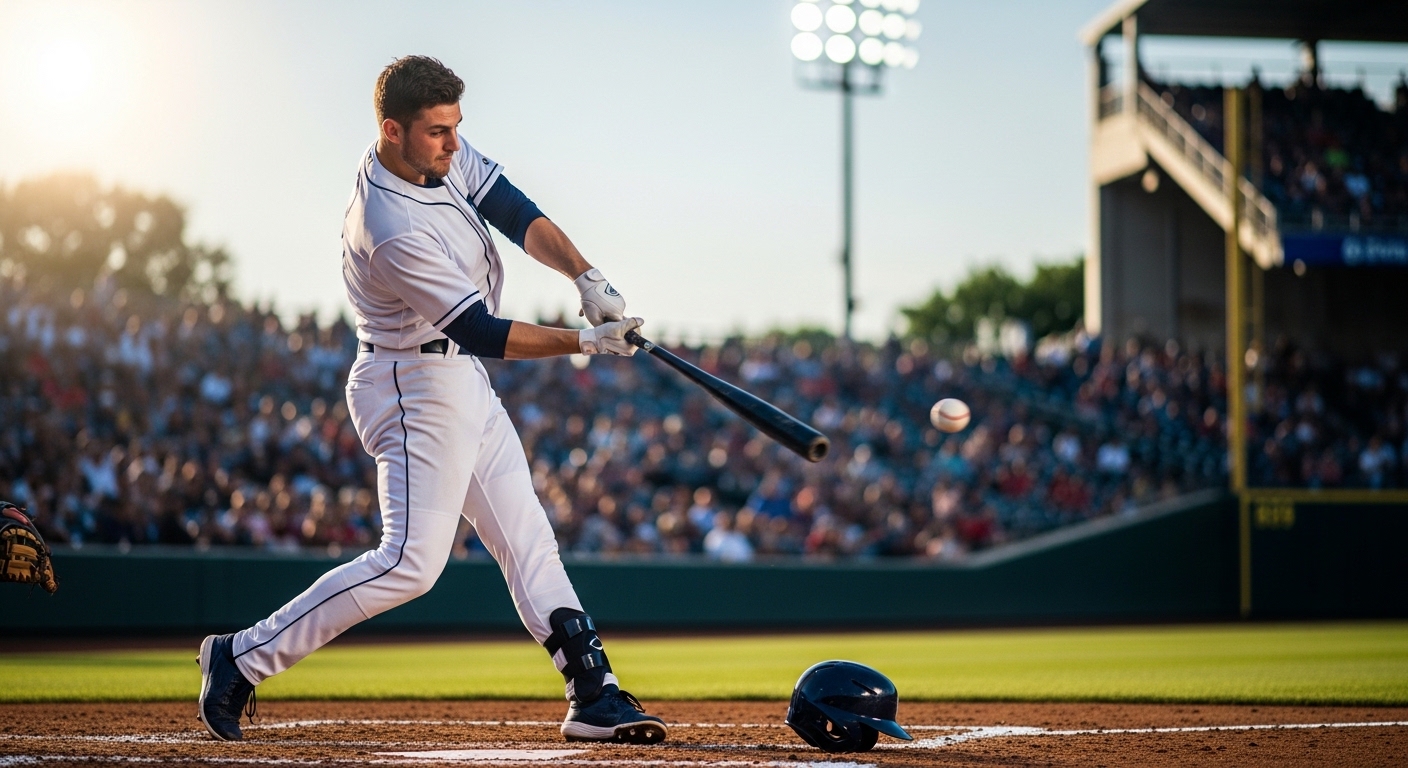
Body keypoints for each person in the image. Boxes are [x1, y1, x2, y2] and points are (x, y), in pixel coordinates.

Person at [197, 55, 666, 746]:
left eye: (455, 127)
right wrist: (585, 342)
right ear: (392, 130)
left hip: (456, 378)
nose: (453, 142)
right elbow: (478, 329)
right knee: (411, 564)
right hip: (410, 382)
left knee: (528, 538)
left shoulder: (433, 151)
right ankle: (240, 657)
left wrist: (584, 275)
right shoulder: (387, 223)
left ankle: (592, 692)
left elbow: (511, 209)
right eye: (437, 131)